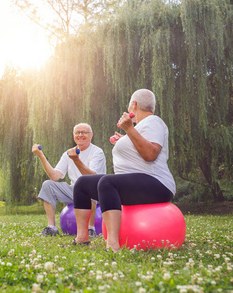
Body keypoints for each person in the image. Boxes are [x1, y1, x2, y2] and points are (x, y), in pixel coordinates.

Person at [72, 89, 176, 251]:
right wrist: (125, 140)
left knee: (107, 181)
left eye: (129, 105)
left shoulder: (153, 121)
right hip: (135, 184)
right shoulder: (140, 128)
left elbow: (150, 154)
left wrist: (128, 129)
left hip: (157, 184)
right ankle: (82, 238)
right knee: (82, 183)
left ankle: (113, 244)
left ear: (133, 105)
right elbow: (140, 145)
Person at [32, 123, 106, 237]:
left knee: (89, 185)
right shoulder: (68, 153)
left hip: (96, 192)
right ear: (73, 135)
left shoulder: (97, 152)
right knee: (48, 185)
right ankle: (51, 228)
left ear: (91, 135)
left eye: (84, 132)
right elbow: (55, 176)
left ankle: (90, 229)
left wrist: (76, 160)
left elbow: (92, 177)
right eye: (77, 132)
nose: (80, 135)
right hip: (75, 191)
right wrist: (41, 156)